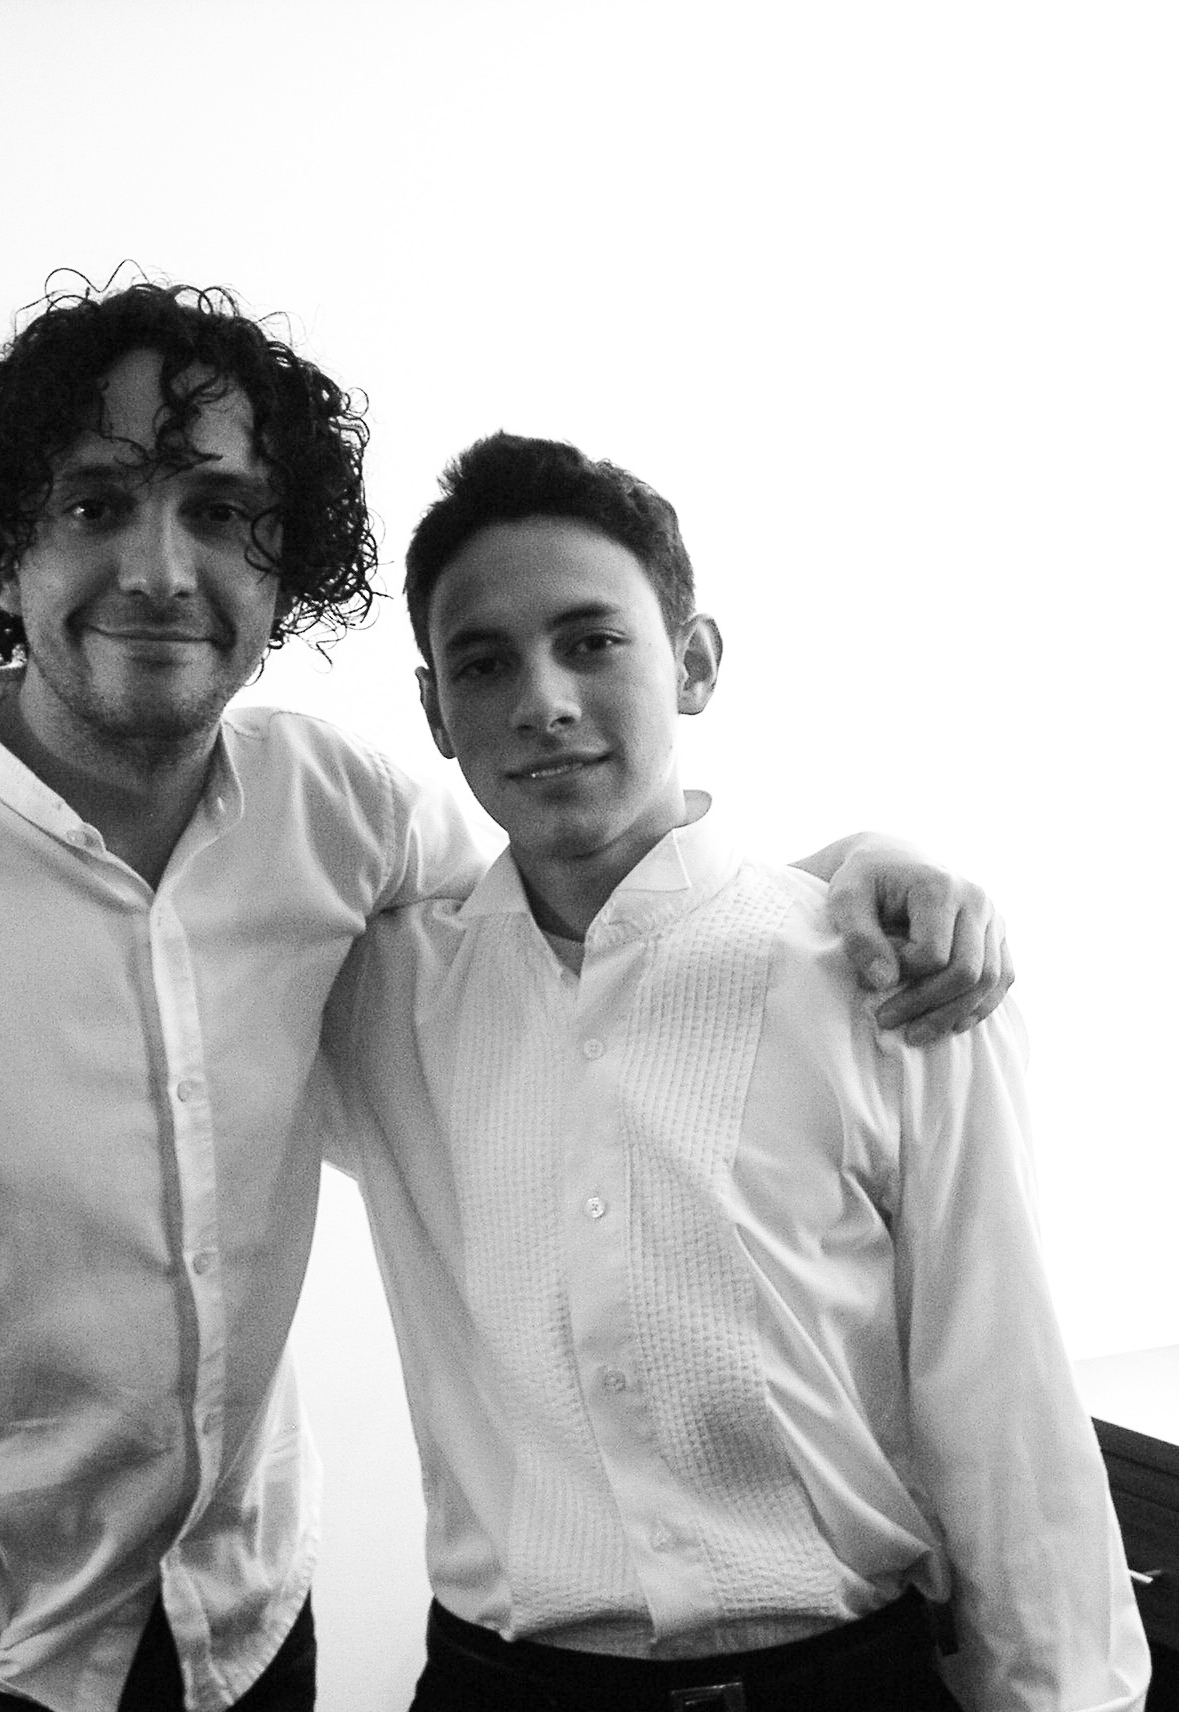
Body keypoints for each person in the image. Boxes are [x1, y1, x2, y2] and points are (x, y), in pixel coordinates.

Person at [0, 279, 1011, 1712]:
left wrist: (861, 867)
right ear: (3, 555)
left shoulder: (341, 807)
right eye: (94, 504)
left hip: (250, 1637)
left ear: (289, 566)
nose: (162, 569)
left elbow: (602, 909)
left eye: (219, 512)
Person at [316, 432, 1147, 1710]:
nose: (541, 699)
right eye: (483, 663)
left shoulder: (887, 980)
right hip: (500, 1683)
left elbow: (1001, 1404)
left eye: (592, 641)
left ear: (694, 662)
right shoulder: (379, 1000)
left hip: (843, 1675)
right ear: (435, 712)